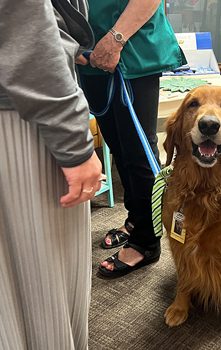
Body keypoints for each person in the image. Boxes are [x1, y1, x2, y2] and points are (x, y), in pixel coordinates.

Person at [0, 0, 103, 348]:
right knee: (46, 290)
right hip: (22, 114)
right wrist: (75, 143)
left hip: (23, 99)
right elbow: (21, 20)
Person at [76, 0, 186, 277]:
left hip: (130, 48)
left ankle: (147, 242)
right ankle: (136, 220)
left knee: (138, 152)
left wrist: (115, 39)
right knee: (119, 149)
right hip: (89, 54)